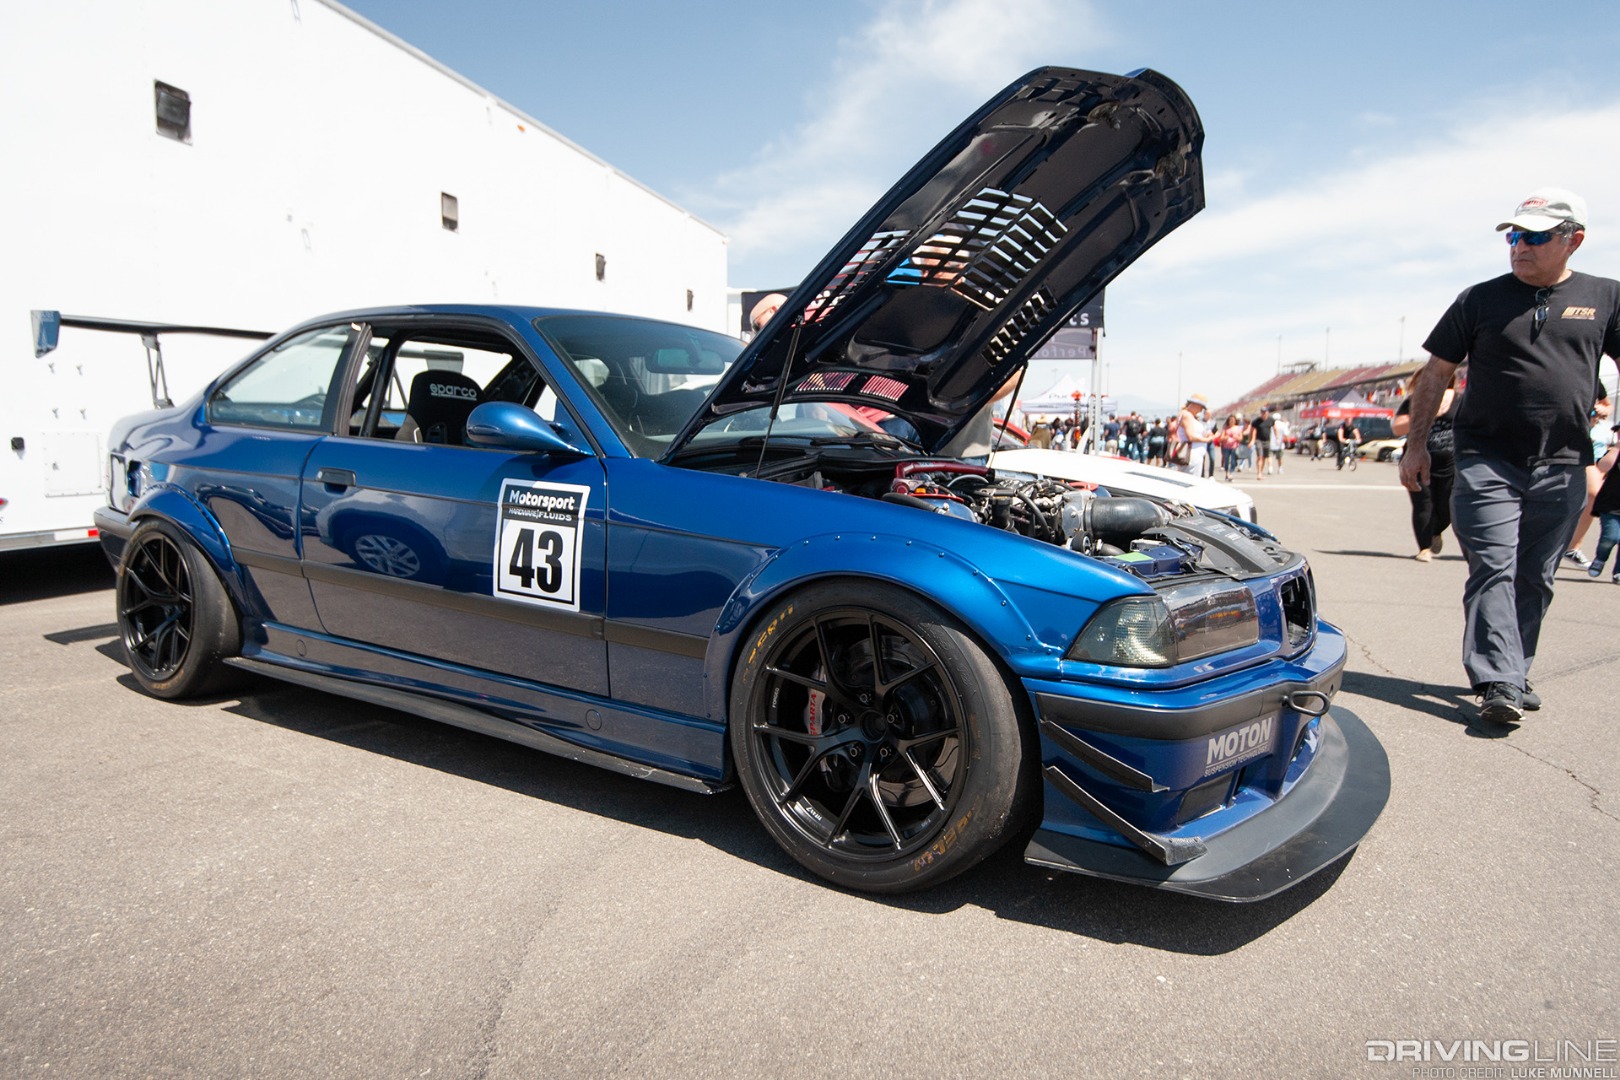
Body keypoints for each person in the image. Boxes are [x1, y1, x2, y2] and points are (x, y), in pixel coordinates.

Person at [1399, 187, 1620, 724]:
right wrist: (1416, 443)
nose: (1519, 246)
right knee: (1493, 566)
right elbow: (1436, 373)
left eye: (1536, 236)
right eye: (1514, 235)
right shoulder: (1479, 299)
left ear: (1574, 241)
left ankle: (1515, 669)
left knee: (1535, 575)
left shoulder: (1607, 296)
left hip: (1564, 462)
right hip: (1486, 458)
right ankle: (1498, 678)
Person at [1392, 370, 1460, 561]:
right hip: (1417, 461)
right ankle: (1424, 548)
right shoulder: (1414, 401)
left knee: (1448, 506)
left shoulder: (1460, 400)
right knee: (1423, 504)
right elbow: (1397, 428)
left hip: (1451, 463)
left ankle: (1435, 531)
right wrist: (1425, 413)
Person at [1583, 436, 1620, 582]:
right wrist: (1617, 448)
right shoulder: (1614, 452)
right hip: (1610, 504)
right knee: (1610, 537)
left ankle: (1618, 572)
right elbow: (1603, 466)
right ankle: (1600, 558)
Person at [1175, 394, 1214, 476]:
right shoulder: (1187, 415)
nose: (1200, 411)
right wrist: (1206, 440)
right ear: (1195, 405)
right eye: (1201, 408)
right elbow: (1190, 436)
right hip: (1192, 455)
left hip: (1192, 455)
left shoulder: (1186, 415)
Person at [1252, 406, 1276, 478]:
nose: (1263, 414)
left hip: (1267, 441)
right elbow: (1253, 431)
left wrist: (1277, 437)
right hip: (1258, 440)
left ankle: (1261, 472)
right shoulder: (1256, 421)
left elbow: (1275, 428)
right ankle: (1259, 473)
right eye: (1262, 412)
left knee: (1264, 457)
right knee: (1260, 456)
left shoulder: (1271, 420)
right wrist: (1252, 440)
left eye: (1265, 412)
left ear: (1267, 412)